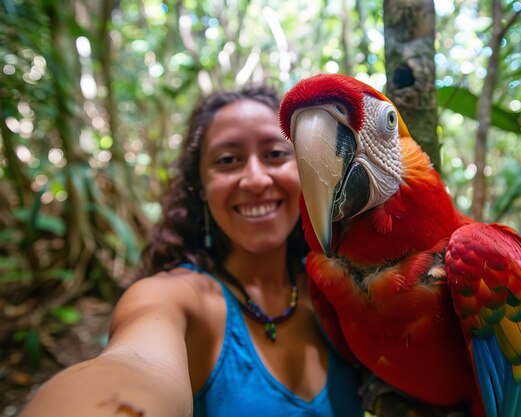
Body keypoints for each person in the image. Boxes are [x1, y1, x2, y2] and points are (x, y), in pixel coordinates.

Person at [19, 85, 364, 417]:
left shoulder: (337, 287)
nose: (256, 180)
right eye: (228, 160)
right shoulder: (174, 298)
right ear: (200, 187)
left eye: (275, 154)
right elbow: (136, 364)